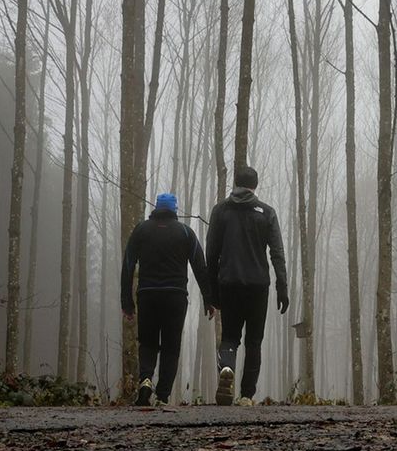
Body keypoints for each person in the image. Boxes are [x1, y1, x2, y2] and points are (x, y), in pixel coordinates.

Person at [207, 165, 289, 406]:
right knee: (254, 340)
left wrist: (212, 292)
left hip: (228, 283)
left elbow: (211, 253)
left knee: (230, 337)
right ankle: (246, 395)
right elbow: (277, 252)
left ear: (235, 183)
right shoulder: (266, 212)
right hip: (257, 285)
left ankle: (227, 369)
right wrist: (282, 285)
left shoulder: (220, 211)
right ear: (255, 186)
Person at [121, 192, 212, 406]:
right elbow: (200, 266)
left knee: (148, 342)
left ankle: (145, 379)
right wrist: (209, 298)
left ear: (156, 208)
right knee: (171, 346)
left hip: (147, 294)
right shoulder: (185, 232)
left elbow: (127, 265)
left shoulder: (141, 230)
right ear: (175, 210)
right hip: (175, 296)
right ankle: (162, 396)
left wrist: (127, 301)